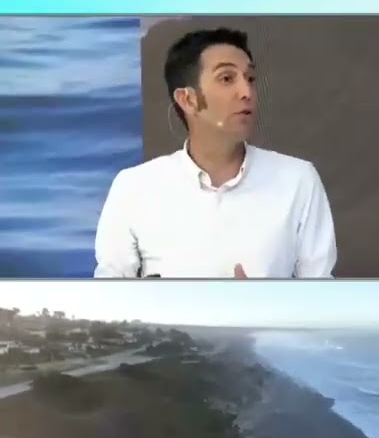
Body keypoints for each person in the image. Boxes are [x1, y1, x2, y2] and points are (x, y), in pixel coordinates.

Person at [94, 28, 337, 278]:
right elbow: (107, 302)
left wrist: (264, 308)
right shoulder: (134, 187)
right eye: (227, 78)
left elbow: (323, 302)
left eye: (250, 78)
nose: (247, 92)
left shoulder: (298, 180)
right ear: (188, 100)